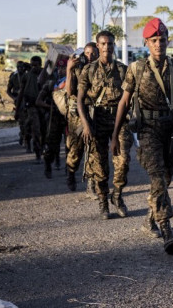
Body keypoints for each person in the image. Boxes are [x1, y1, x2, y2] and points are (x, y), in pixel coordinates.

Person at [111, 18, 173, 255]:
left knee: (166, 177)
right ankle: (167, 229)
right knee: (158, 177)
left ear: (167, 41)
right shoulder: (137, 68)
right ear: (147, 43)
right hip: (148, 130)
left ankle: (151, 217)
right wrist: (114, 137)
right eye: (154, 41)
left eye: (162, 40)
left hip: (172, 130)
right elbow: (124, 102)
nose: (159, 44)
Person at [77, 31, 133, 220]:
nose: (107, 47)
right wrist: (86, 125)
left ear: (114, 45)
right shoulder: (89, 70)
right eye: (103, 44)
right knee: (99, 164)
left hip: (119, 120)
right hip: (97, 120)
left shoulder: (123, 70)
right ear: (98, 46)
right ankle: (103, 200)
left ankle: (117, 195)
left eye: (110, 44)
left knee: (123, 160)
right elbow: (80, 100)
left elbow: (130, 99)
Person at [66, 42, 98, 196]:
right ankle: (71, 172)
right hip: (78, 114)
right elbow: (69, 91)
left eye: (93, 53)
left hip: (95, 113)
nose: (90, 56)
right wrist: (69, 69)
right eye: (87, 53)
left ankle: (91, 184)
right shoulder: (78, 69)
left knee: (94, 149)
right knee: (76, 151)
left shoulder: (100, 69)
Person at [37, 60, 68, 179]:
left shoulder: (70, 83)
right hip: (53, 119)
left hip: (67, 119)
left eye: (63, 68)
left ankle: (69, 170)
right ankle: (48, 165)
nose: (61, 70)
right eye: (59, 68)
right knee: (51, 146)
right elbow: (38, 101)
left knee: (69, 146)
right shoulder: (51, 84)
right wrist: (50, 106)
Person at [16, 56, 44, 162]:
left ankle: (42, 147)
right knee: (35, 129)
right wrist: (18, 109)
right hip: (32, 106)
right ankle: (37, 153)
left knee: (44, 130)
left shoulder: (45, 74)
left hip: (44, 106)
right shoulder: (27, 76)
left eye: (36, 65)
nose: (34, 67)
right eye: (32, 65)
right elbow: (21, 93)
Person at [7, 61, 28, 146]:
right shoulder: (14, 76)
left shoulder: (28, 75)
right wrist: (14, 98)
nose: (20, 69)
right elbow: (8, 90)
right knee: (22, 120)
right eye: (18, 67)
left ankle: (25, 136)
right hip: (19, 101)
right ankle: (23, 135)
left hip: (27, 99)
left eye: (22, 67)